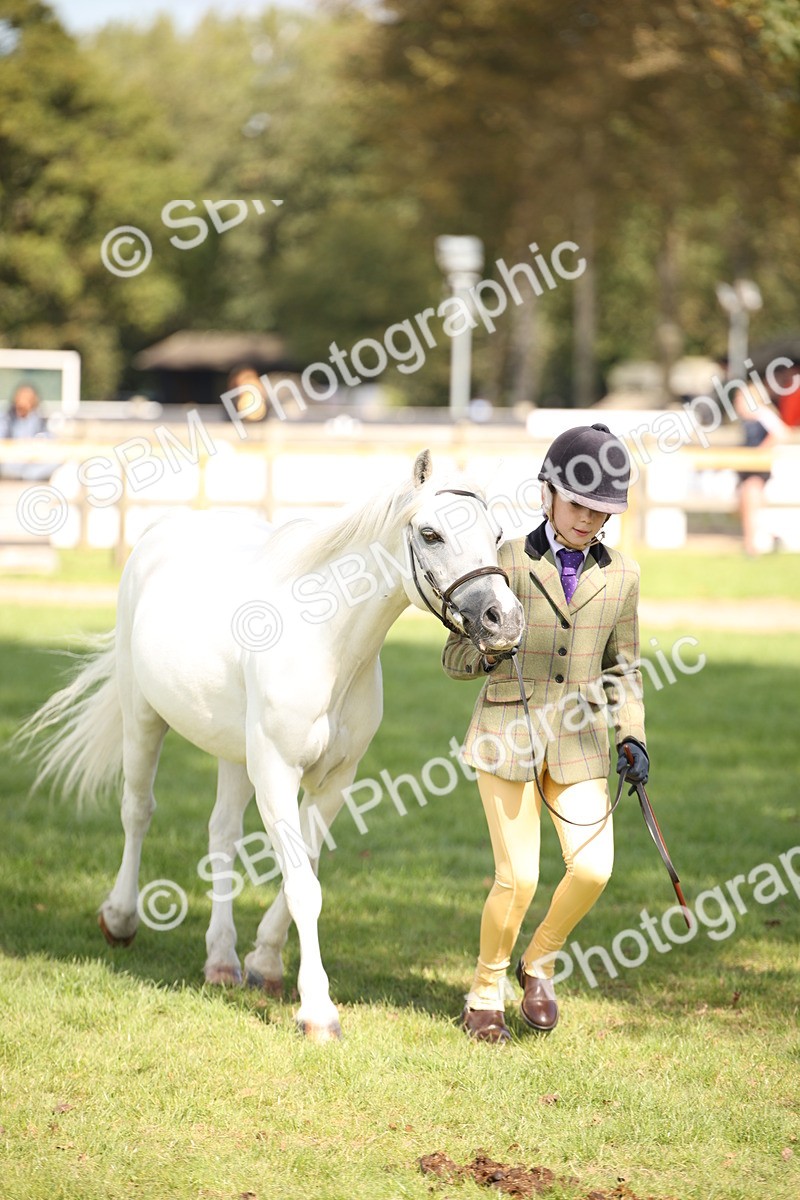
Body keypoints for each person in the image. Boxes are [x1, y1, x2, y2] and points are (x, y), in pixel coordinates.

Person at [442, 423, 648, 1043]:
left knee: (593, 870)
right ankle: (485, 992)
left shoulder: (623, 577)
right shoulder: (503, 560)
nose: (588, 519)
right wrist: (485, 647)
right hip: (506, 735)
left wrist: (631, 737)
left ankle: (541, 961)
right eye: (578, 504)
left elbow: (624, 668)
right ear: (547, 494)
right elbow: (453, 659)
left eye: (601, 510)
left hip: (581, 744)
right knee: (519, 878)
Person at [734, 382, 788, 556]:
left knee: (750, 503)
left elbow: (781, 433)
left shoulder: (763, 415)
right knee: (749, 507)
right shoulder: (746, 421)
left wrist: (759, 453)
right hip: (747, 469)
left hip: (758, 470)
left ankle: (751, 546)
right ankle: (771, 537)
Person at [0, 384, 53, 480]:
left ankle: (26, 476)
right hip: (8, 463)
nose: (24, 401)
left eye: (28, 398)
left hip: (31, 464)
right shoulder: (6, 418)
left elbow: (48, 439)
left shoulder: (39, 419)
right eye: (22, 397)